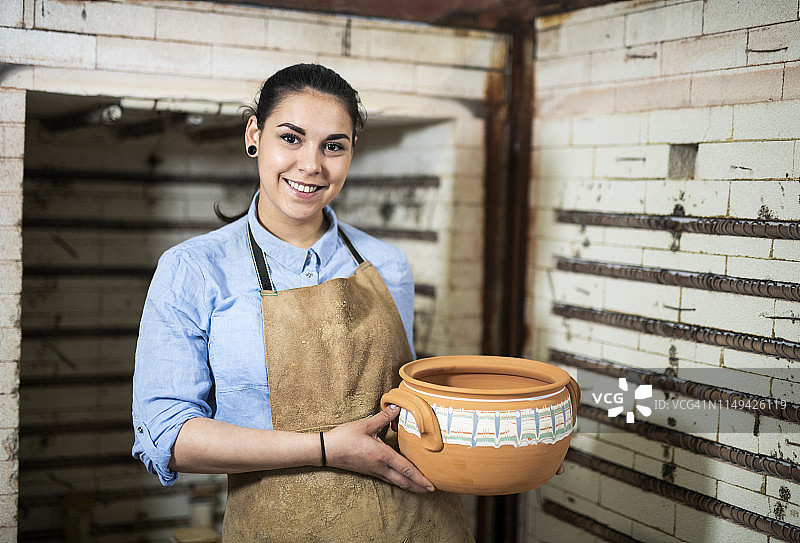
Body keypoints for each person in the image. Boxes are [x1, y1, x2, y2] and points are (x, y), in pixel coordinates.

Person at [132, 63, 474, 541]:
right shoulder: (194, 270)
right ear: (254, 134)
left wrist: (515, 445)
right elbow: (168, 438)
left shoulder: (386, 264)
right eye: (291, 138)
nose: (311, 165)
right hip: (279, 526)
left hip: (412, 525)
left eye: (333, 146)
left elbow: (405, 410)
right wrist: (326, 448)